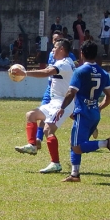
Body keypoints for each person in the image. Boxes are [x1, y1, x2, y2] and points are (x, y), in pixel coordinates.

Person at [55, 40, 110, 182]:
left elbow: (71, 92)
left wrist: (62, 107)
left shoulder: (80, 71)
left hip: (82, 113)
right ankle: (74, 174)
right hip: (94, 113)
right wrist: (99, 107)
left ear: (81, 53)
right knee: (74, 141)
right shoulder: (103, 73)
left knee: (77, 146)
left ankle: (106, 143)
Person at [13, 38, 75, 173]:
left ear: (61, 49)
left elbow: (46, 72)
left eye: (54, 47)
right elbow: (47, 71)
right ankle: (32, 145)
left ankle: (56, 163)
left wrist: (25, 73)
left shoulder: (64, 64)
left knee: (48, 130)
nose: (52, 50)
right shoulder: (61, 62)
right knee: (31, 115)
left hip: (63, 103)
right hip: (54, 102)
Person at [35, 31, 79, 151]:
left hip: (62, 89)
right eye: (54, 40)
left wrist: (25, 73)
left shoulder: (68, 58)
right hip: (51, 88)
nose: (55, 43)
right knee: (43, 112)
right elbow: (49, 69)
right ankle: (38, 139)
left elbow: (72, 68)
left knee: (68, 113)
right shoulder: (51, 54)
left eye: (57, 40)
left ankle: (84, 124)